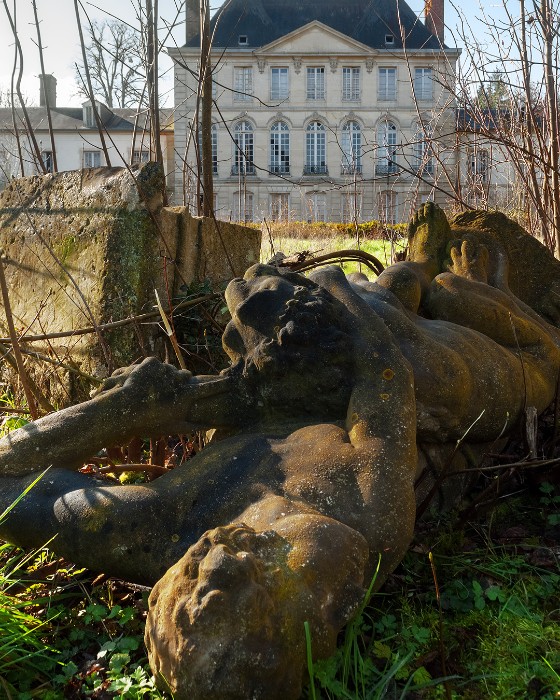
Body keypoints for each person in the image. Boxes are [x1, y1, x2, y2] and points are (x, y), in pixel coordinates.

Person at [0, 203, 558, 699]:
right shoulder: (361, 519)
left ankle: (407, 274)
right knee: (470, 363)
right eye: (227, 595)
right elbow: (382, 375)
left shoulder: (157, 527)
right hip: (410, 381)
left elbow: (8, 480)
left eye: (189, 587)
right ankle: (471, 290)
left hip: (285, 384)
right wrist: (331, 283)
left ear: (163, 601)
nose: (211, 563)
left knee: (376, 308)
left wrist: (130, 407)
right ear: (311, 621)